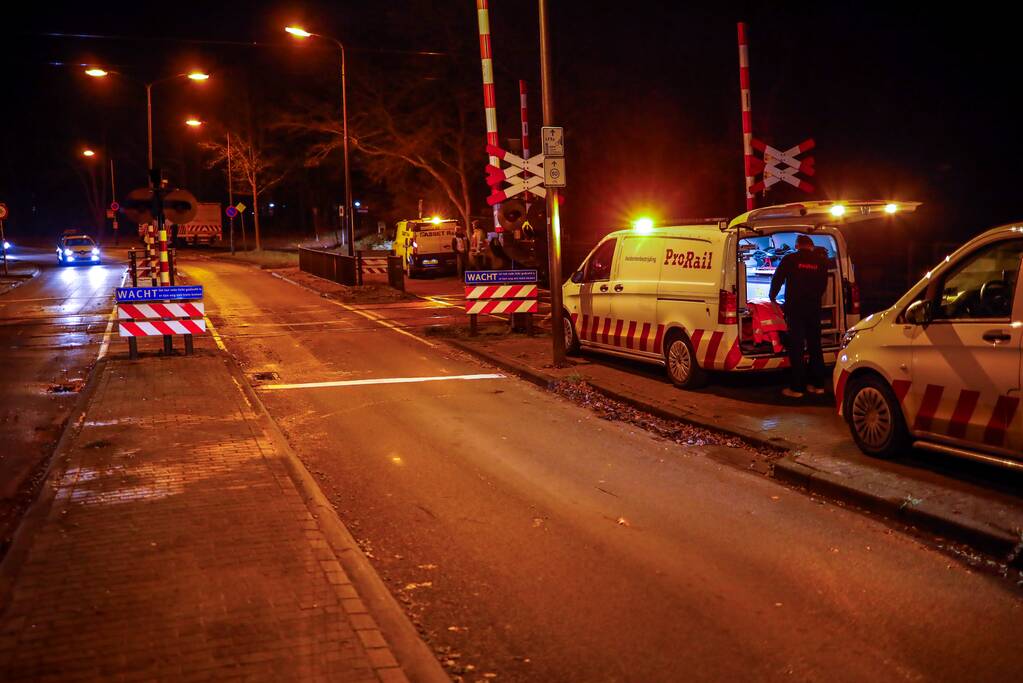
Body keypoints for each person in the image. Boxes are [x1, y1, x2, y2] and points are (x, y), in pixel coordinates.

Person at [770, 234, 829, 398]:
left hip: (795, 308)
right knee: (815, 346)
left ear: (797, 245)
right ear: (811, 245)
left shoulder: (790, 259)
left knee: (796, 347)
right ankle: (818, 385)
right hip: (814, 308)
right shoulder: (821, 262)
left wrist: (772, 296)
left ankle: (797, 388)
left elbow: (778, 278)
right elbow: (823, 284)